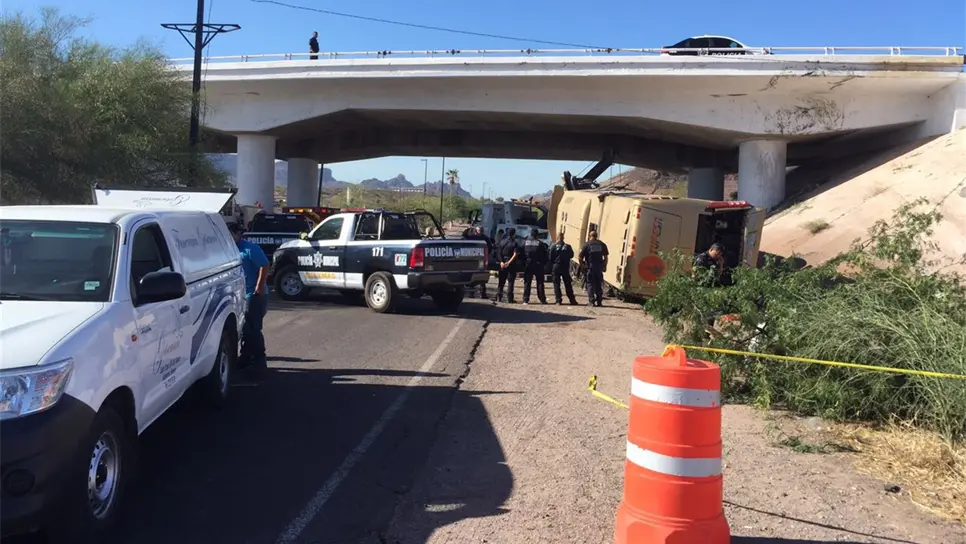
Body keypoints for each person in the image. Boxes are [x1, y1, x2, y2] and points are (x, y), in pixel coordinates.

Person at [229, 223, 270, 373]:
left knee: (253, 327)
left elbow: (264, 265)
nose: (230, 237)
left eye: (232, 234)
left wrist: (259, 286)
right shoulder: (229, 250)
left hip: (254, 294)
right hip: (239, 294)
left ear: (238, 234)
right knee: (245, 327)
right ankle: (245, 357)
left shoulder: (249, 248)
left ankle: (260, 359)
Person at [579, 230, 608, 307]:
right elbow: (605, 257)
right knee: (598, 284)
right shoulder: (602, 244)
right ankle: (599, 301)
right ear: (596, 236)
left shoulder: (587, 244)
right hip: (599, 267)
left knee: (590, 284)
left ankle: (591, 302)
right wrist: (604, 266)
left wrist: (582, 265)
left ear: (589, 236)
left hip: (590, 267)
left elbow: (580, 257)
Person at [548, 231, 578, 305]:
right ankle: (572, 300)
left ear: (557, 237)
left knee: (556, 284)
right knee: (567, 284)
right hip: (565, 267)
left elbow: (550, 257)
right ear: (563, 237)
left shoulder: (554, 246)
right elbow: (571, 255)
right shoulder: (568, 246)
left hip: (556, 266)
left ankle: (558, 300)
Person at [494, 227, 521, 304]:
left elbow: (498, 253)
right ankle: (510, 298)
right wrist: (509, 262)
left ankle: (499, 296)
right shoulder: (515, 243)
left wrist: (501, 262)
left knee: (501, 281)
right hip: (511, 264)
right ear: (514, 234)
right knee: (510, 282)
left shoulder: (502, 242)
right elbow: (515, 254)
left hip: (502, 263)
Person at [522, 229, 549, 304]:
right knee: (540, 282)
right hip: (538, 264)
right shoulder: (540, 243)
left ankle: (525, 299)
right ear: (537, 235)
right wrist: (544, 264)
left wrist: (524, 263)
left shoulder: (525, 243)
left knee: (527, 282)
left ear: (531, 234)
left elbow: (521, 254)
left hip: (528, 264)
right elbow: (545, 255)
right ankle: (542, 299)